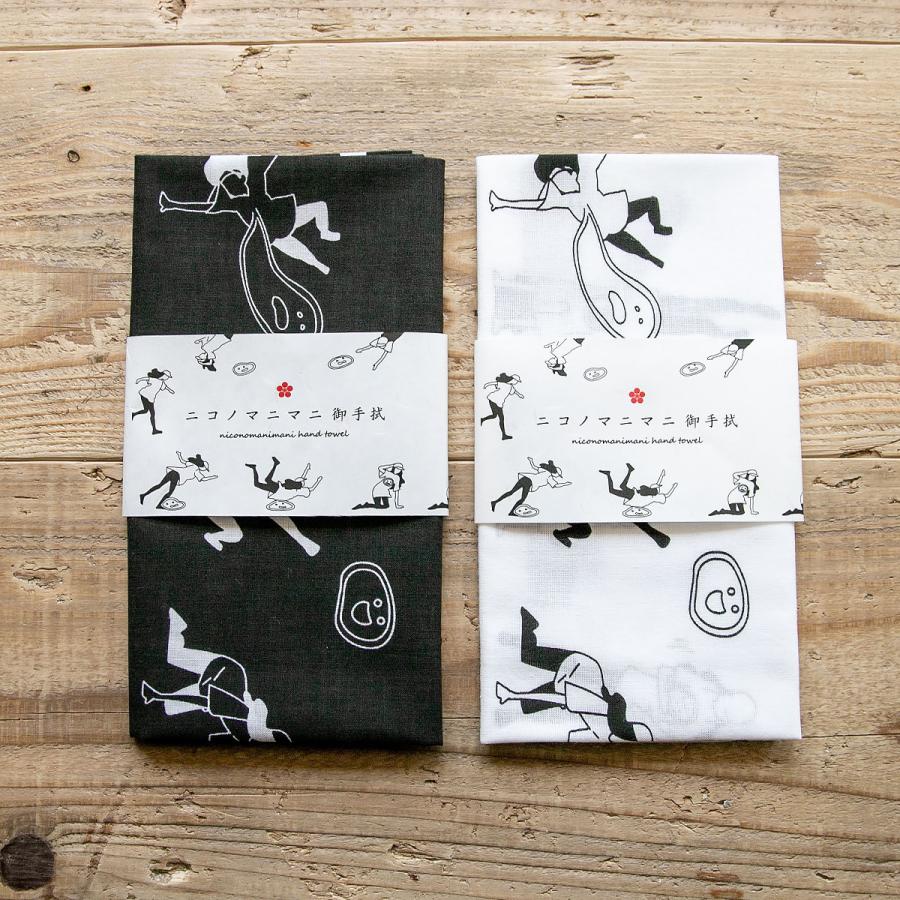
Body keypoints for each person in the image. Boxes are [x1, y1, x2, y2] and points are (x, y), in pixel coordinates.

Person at [159, 155, 340, 274]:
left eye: (239, 176)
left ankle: (321, 251)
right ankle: (320, 256)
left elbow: (258, 165)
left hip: (275, 228)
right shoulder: (238, 198)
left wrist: (172, 205)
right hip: (278, 225)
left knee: (313, 219)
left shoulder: (238, 198)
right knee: (305, 237)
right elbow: (203, 206)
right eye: (237, 177)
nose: (241, 178)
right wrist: (172, 204)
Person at [495, 608, 653, 742]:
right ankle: (524, 630)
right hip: (577, 671)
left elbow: (571, 728)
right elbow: (557, 699)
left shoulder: (600, 726)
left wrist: (513, 696)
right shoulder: (596, 707)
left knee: (528, 700)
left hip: (581, 669)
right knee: (530, 661)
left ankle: (506, 715)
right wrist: (512, 695)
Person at [489, 154, 672, 268]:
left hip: (617, 212)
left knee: (651, 202)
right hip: (604, 230)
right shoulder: (563, 199)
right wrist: (501, 203)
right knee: (633, 247)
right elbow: (534, 204)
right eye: (565, 172)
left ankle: (657, 228)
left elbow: (595, 160)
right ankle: (652, 259)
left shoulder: (585, 181)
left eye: (572, 170)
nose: (572, 174)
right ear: (554, 179)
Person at [141, 608, 289, 743]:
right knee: (174, 657)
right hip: (224, 672)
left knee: (169, 708)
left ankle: (157, 699)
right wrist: (159, 695)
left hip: (227, 675)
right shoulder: (241, 715)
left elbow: (213, 729)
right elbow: (201, 701)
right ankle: (177, 625)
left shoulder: (241, 732)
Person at [491, 457, 572, 516]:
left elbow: (534, 467)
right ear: (555, 473)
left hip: (524, 478)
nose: (558, 476)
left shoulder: (544, 470)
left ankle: (495, 502)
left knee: (511, 492)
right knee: (522, 499)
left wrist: (531, 461)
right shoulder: (549, 478)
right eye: (558, 475)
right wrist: (565, 484)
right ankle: (511, 512)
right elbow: (556, 485)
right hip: (528, 483)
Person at [140, 451, 218, 509]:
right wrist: (212, 477)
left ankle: (143, 495)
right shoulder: (196, 471)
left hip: (172, 472)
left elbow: (182, 460)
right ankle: (159, 505)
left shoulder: (191, 464)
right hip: (176, 476)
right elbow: (203, 479)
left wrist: (179, 455)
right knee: (170, 492)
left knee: (159, 485)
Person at [598, 463, 677, 516]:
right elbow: (666, 493)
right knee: (615, 489)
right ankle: (614, 473)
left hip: (633, 496)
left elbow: (664, 492)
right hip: (633, 496)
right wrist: (663, 477)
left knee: (618, 488)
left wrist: (672, 485)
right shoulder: (651, 495)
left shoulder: (652, 496)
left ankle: (625, 471)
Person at [245, 456, 322, 504]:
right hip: (277, 489)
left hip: (278, 489)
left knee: (265, 480)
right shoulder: (297, 487)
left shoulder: (298, 489)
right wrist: (308, 470)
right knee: (261, 482)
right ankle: (257, 467)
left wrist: (318, 480)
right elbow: (309, 485)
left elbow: (309, 487)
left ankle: (273, 464)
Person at [480, 373, 524, 440]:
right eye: (516, 381)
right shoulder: (503, 384)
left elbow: (515, 391)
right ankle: (504, 435)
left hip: (498, 403)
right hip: (493, 400)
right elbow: (494, 383)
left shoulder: (511, 387)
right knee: (501, 418)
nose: (516, 382)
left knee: (494, 416)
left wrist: (519, 395)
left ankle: (483, 419)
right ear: (513, 380)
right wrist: (486, 385)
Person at [131, 368, 173, 435]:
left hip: (150, 398)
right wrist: (138, 380)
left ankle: (134, 414)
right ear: (164, 375)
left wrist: (170, 390)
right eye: (167, 377)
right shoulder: (154, 380)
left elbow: (166, 388)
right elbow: (146, 378)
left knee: (146, 411)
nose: (167, 378)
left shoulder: (162, 383)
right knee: (152, 413)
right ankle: (154, 430)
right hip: (145, 395)